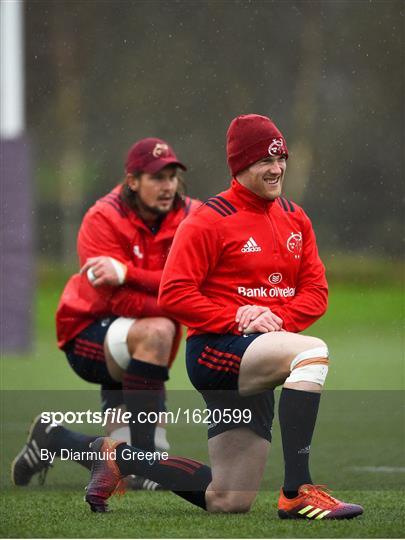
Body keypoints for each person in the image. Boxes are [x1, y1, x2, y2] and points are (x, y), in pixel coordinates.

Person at [82, 114, 363, 519]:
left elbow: (316, 294)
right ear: (240, 167)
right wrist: (238, 318)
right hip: (217, 350)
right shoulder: (208, 220)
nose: (277, 168)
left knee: (227, 500)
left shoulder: (296, 218)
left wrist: (270, 317)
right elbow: (174, 292)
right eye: (265, 161)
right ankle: (298, 491)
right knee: (312, 354)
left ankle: (120, 456)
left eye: (281, 158)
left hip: (263, 352)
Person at [11, 137, 200, 488]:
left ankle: (52, 438)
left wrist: (129, 274)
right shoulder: (102, 218)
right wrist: (177, 298)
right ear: (132, 181)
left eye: (173, 176)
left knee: (121, 472)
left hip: (144, 345)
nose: (168, 186)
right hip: (88, 332)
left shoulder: (193, 216)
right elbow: (119, 302)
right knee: (159, 330)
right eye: (157, 177)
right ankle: (148, 464)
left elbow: (197, 284)